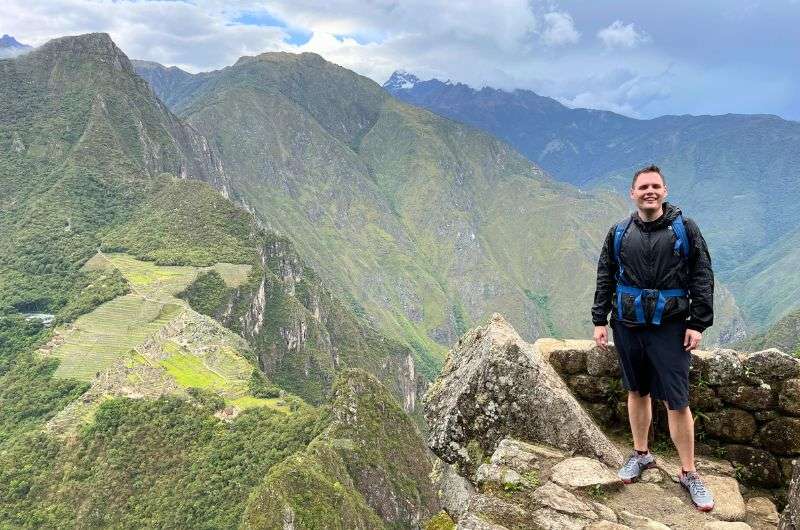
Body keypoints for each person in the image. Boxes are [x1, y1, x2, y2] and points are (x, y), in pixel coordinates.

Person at [591, 165, 715, 512]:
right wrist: (600, 318)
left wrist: (697, 323)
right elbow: (606, 275)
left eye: (655, 186)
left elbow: (702, 273)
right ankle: (641, 454)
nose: (650, 191)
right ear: (632, 193)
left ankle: (689, 472)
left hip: (670, 325)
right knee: (637, 390)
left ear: (665, 190)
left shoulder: (684, 229)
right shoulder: (619, 232)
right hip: (628, 324)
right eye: (643, 186)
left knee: (676, 400)